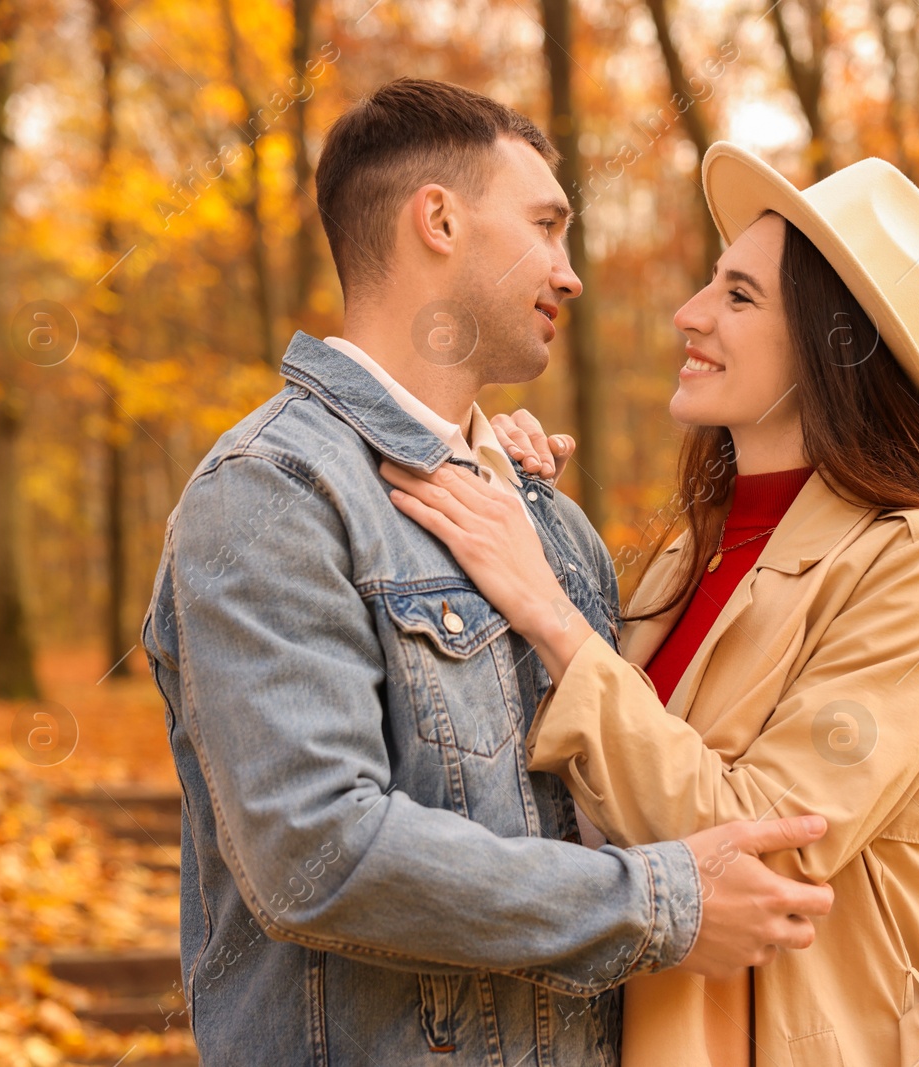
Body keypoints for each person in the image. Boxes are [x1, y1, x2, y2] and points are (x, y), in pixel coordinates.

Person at [141, 81, 835, 1067]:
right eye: (547, 226)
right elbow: (315, 852)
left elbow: (607, 785)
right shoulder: (273, 494)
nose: (572, 272)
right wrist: (660, 902)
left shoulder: (547, 520)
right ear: (439, 219)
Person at [381, 142, 919, 1066]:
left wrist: (547, 605)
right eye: (712, 283)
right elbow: (592, 792)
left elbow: (765, 846)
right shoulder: (691, 552)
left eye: (740, 296)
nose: (690, 314)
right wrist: (520, 503)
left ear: (836, 349)